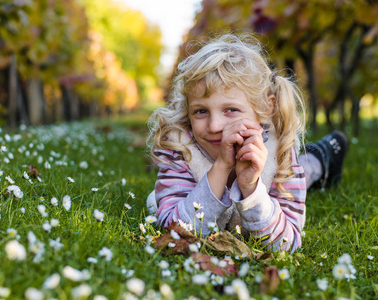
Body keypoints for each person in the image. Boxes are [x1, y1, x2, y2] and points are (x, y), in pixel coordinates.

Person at [146, 34, 348, 253]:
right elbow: (174, 229)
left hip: (281, 163)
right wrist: (222, 167)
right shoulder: (181, 149)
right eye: (201, 111)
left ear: (265, 108)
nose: (214, 126)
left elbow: (287, 243)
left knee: (305, 171)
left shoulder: (279, 151)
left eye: (231, 110)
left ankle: (323, 154)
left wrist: (251, 187)